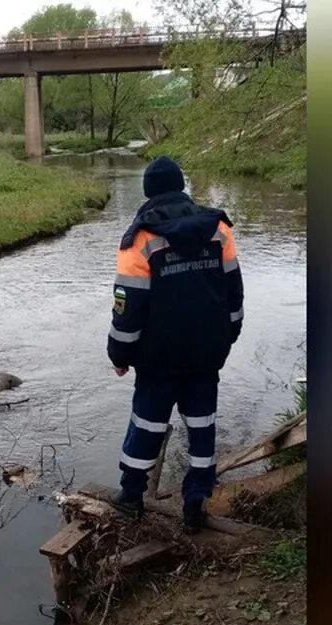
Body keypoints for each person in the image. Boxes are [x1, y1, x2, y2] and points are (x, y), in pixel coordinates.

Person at [107, 156, 244, 533]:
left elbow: (128, 310)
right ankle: (195, 505)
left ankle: (131, 497)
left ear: (149, 192)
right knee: (202, 426)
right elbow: (234, 294)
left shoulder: (140, 240)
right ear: (181, 186)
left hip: (157, 358)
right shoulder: (219, 229)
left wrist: (119, 355)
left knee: (147, 424)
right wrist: (228, 337)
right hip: (206, 353)